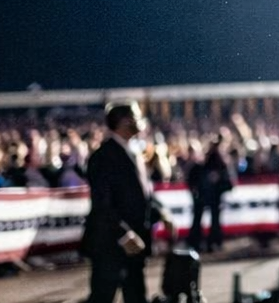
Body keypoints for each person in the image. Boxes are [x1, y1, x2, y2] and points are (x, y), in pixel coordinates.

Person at [80, 102, 175, 303]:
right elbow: (102, 203)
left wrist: (162, 212)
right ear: (124, 121)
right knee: (102, 296)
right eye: (137, 117)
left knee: (136, 296)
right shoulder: (103, 156)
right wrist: (124, 233)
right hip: (111, 243)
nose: (141, 122)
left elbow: (142, 194)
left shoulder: (133, 151)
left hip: (135, 242)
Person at [184, 138, 232, 253]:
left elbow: (227, 182)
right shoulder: (203, 166)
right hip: (206, 196)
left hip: (211, 196)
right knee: (204, 219)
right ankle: (203, 242)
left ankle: (208, 242)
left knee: (211, 219)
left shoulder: (217, 165)